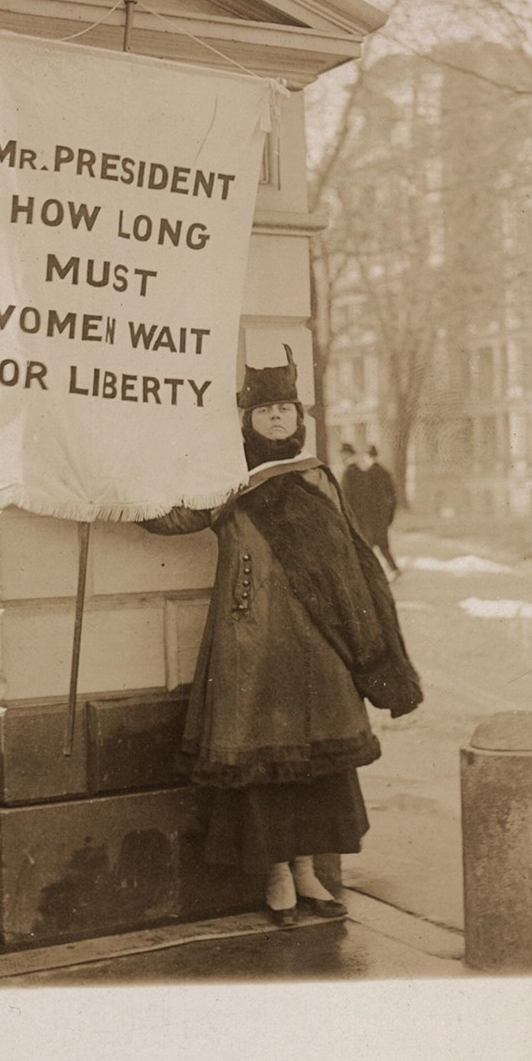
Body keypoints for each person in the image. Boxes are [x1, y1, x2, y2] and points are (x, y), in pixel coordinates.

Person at [141, 347, 423, 925]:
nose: (276, 418)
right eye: (264, 410)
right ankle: (276, 876)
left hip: (320, 645)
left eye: (285, 409)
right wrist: (110, 489)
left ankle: (306, 871)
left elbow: (352, 560)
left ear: (299, 418)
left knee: (315, 762)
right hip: (252, 645)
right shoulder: (229, 479)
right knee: (262, 762)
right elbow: (175, 518)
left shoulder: (317, 476)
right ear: (246, 421)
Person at [341, 443, 400, 578]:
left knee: (371, 545)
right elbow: (392, 498)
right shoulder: (382, 472)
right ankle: (388, 570)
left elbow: (352, 497)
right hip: (378, 517)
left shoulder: (354, 472)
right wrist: (389, 516)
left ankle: (372, 573)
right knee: (378, 545)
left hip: (369, 517)